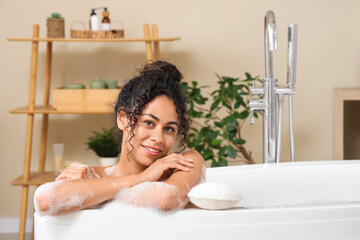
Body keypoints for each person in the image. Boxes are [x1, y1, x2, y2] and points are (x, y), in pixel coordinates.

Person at [34, 61, 205, 216]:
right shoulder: (91, 175)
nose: (158, 138)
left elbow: (166, 199)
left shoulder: (185, 161)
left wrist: (88, 191)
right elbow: (44, 201)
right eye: (149, 123)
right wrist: (142, 177)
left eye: (169, 128)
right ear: (123, 119)